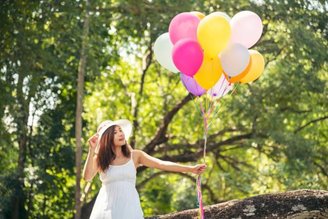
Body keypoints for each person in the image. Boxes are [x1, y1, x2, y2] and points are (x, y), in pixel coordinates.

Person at [83, 119, 207, 219]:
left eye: (120, 130)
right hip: (105, 209)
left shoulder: (136, 156)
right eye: (115, 132)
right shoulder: (100, 159)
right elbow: (87, 177)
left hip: (129, 207)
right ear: (107, 138)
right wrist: (91, 150)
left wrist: (191, 169)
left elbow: (162, 164)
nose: (120, 134)